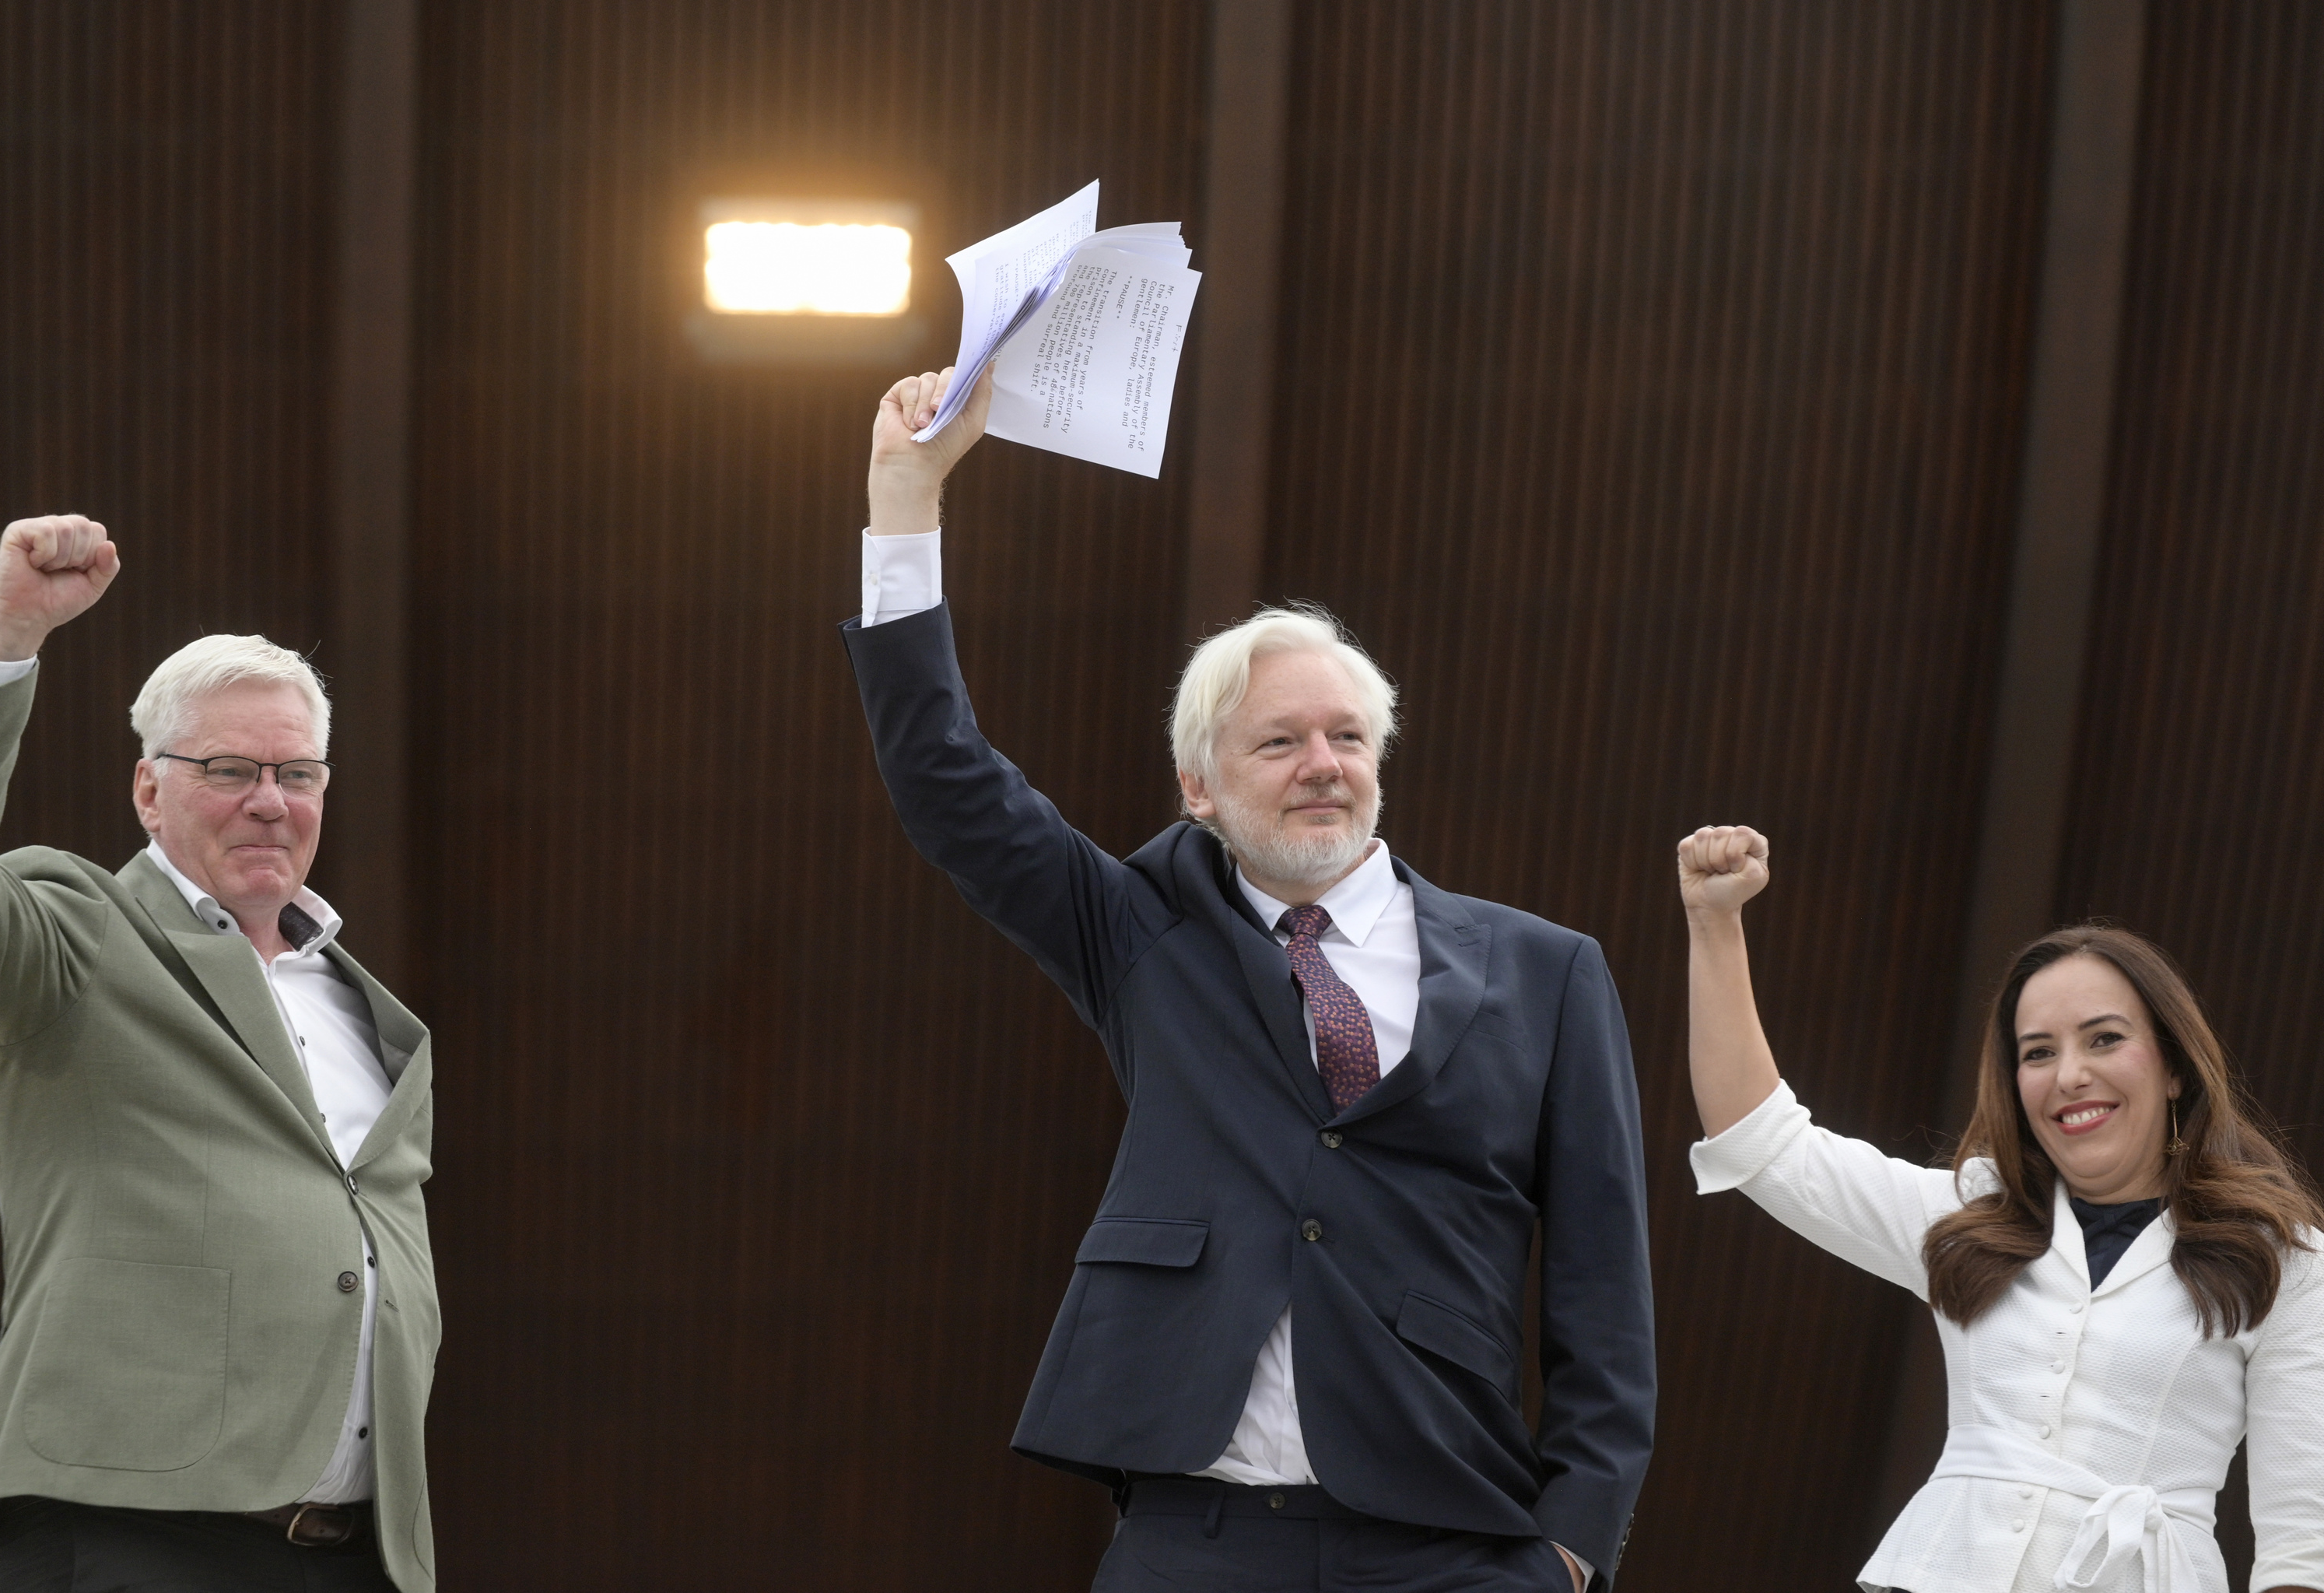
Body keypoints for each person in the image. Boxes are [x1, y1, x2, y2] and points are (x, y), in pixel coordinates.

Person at [842, 369, 1656, 1593]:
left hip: (1457, 1544)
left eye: (1346, 736)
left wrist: (1574, 1545)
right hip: (1198, 1539)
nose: (1321, 764)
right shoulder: (1141, 933)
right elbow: (946, 781)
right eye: (1278, 741)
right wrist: (906, 505)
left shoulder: (1548, 970)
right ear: (1201, 787)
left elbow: (1604, 1289)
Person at [0, 517, 440, 1592]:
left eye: (297, 771)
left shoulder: (370, 1014)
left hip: (358, 1547)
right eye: (228, 767)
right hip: (133, 1528)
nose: (270, 797)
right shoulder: (74, 937)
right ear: (148, 790)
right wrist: (8, 637)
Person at [1677, 823, 2324, 1593]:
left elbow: (2300, 1549)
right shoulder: (1969, 1218)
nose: (2071, 1074)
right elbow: (1762, 1144)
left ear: (2177, 1067)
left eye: (2105, 1039)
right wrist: (1714, 921)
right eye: (2039, 1051)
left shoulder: (2282, 1255)